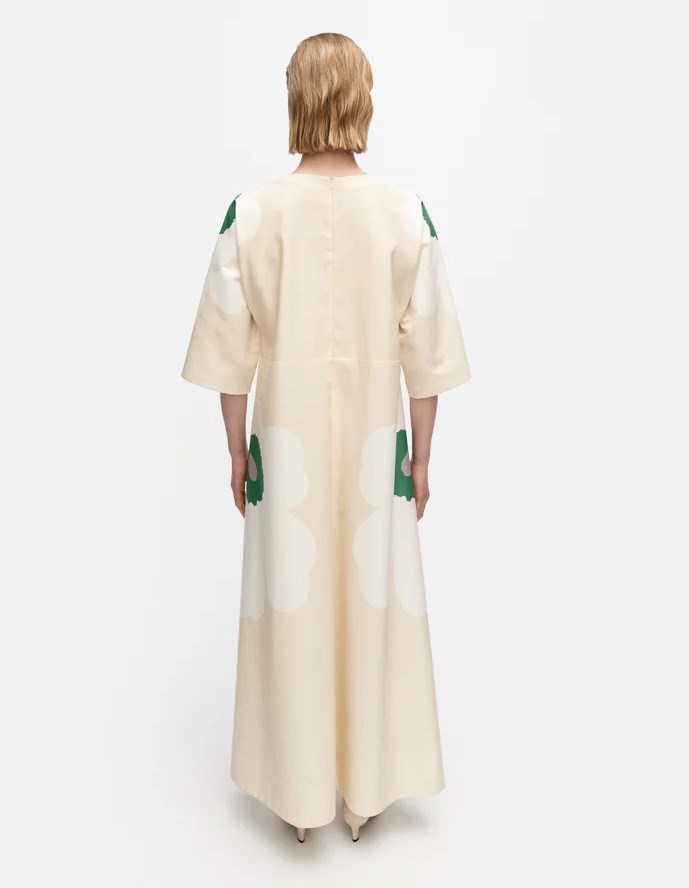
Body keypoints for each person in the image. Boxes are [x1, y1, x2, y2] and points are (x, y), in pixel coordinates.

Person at [181, 32, 470, 843]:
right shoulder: (405, 213)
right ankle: (365, 790)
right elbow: (427, 352)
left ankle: (299, 795)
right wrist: (421, 457)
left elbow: (228, 351)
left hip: (287, 443)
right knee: (373, 601)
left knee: (292, 602)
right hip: (378, 444)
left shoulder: (252, 214)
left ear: (296, 99)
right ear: (362, 99)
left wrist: (236, 453)